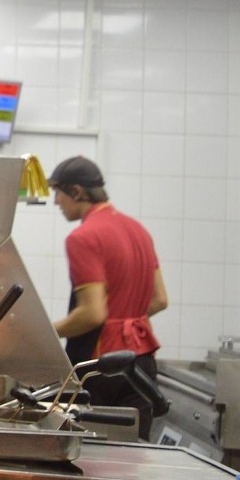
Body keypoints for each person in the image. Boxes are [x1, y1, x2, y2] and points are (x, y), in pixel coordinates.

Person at [50, 154, 167, 439]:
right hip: (141, 366)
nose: (56, 202)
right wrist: (124, 317)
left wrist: (46, 333)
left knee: (89, 461)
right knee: (133, 459)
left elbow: (92, 314)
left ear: (76, 191)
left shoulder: (83, 237)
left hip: (100, 367)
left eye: (58, 193)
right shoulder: (138, 230)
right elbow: (159, 300)